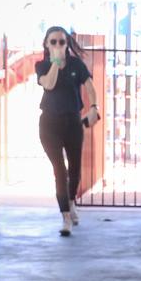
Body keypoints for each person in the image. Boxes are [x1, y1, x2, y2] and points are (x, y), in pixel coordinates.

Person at [36, 27, 100, 236]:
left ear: (67, 44)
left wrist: (93, 107)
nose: (57, 46)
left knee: (75, 167)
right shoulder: (42, 65)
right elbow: (49, 84)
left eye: (61, 42)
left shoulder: (76, 65)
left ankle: (71, 201)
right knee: (59, 170)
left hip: (72, 120)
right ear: (46, 44)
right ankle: (65, 216)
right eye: (53, 42)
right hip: (49, 123)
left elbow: (89, 86)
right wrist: (55, 62)